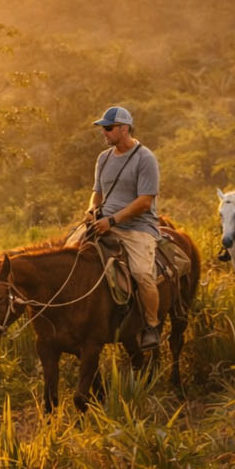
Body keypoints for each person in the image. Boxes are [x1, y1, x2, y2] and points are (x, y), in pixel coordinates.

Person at [84, 105, 164, 350]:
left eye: (108, 128)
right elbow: (97, 192)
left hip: (136, 227)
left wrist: (113, 220)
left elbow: (144, 201)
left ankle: (151, 325)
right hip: (104, 223)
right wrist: (91, 210)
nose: (104, 133)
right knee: (69, 254)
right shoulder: (103, 158)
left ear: (124, 128)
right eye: (103, 129)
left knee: (142, 273)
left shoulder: (145, 158)